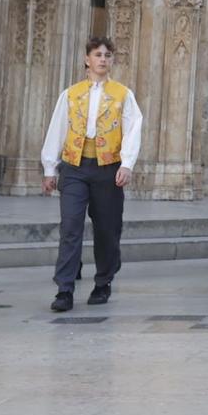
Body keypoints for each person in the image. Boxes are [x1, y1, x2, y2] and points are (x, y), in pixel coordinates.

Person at [40, 37, 142, 313]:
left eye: (108, 55)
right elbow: (58, 128)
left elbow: (133, 129)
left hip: (107, 167)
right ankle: (64, 288)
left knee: (107, 228)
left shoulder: (123, 94)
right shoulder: (71, 94)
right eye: (98, 54)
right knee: (70, 225)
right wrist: (50, 167)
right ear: (87, 59)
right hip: (75, 165)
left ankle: (103, 280)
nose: (103, 59)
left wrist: (127, 163)